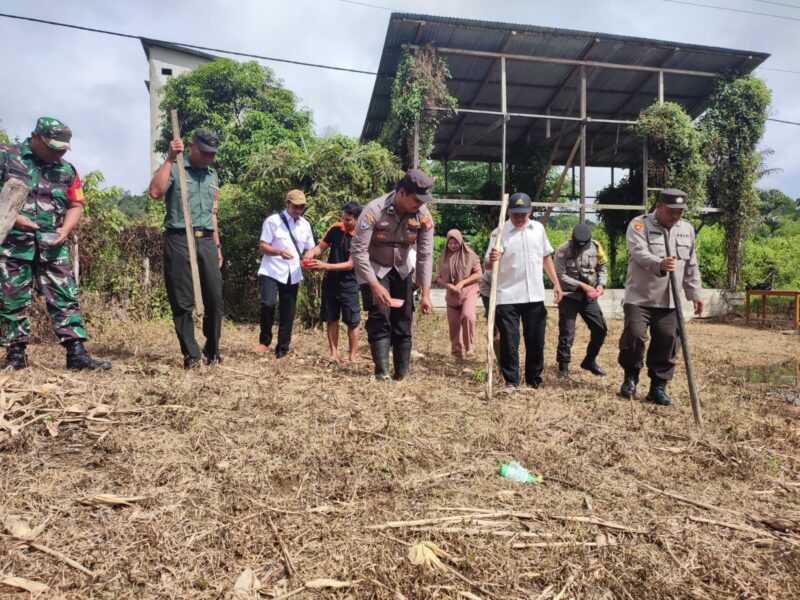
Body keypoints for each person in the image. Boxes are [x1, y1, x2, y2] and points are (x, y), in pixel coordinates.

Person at [0, 117, 110, 371]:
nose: (58, 152)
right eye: (53, 147)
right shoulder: (7, 157)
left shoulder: (67, 170)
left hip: (53, 245)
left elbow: (76, 204)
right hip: (14, 244)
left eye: (62, 148)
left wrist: (65, 230)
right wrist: (15, 218)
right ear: (35, 137)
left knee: (65, 297)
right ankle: (15, 356)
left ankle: (76, 353)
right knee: (12, 299)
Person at [618, 188, 704, 406]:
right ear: (658, 207)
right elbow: (638, 252)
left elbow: (691, 263)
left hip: (670, 300)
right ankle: (631, 377)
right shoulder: (639, 224)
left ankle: (658, 388)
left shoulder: (686, 230)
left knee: (667, 342)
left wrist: (695, 293)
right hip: (640, 297)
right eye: (671, 211)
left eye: (680, 211)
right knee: (635, 337)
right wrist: (659, 264)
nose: (676, 216)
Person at [149, 128, 224, 369]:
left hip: (206, 241)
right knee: (182, 300)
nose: (208, 157)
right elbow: (155, 192)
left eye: (212, 154)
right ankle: (191, 355)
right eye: (204, 152)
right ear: (191, 146)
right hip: (179, 238)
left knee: (215, 299)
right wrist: (170, 158)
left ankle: (212, 350)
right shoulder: (176, 167)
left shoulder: (213, 177)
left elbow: (213, 215)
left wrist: (217, 245)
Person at [351, 169, 434, 381]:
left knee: (404, 317)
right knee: (380, 313)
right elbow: (358, 252)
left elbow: (425, 255)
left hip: (402, 268)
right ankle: (382, 372)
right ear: (402, 192)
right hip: (374, 268)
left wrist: (425, 293)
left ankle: (403, 373)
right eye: (416, 199)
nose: (420, 204)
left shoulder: (423, 216)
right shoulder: (373, 211)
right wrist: (374, 285)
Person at [485, 192, 563, 389]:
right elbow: (487, 263)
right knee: (509, 342)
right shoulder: (499, 233)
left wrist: (556, 283)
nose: (519, 218)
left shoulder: (538, 229)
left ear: (530, 212)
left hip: (534, 295)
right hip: (507, 296)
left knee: (536, 340)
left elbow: (546, 257)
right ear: (509, 212)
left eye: (523, 214)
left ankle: (534, 378)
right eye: (515, 214)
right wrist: (492, 258)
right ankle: (511, 380)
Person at [253, 189, 315, 358]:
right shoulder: (273, 221)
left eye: (301, 207)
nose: (298, 210)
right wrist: (279, 252)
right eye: (295, 206)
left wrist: (310, 255)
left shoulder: (305, 225)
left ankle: (282, 348)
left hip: (293, 272)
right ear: (287, 203)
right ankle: (265, 341)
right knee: (268, 303)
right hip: (271, 269)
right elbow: (263, 246)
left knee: (288, 311)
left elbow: (310, 247)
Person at [304, 200, 362, 364]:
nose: (344, 222)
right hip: (331, 282)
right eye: (343, 218)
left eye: (348, 219)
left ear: (357, 219)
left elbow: (351, 264)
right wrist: (311, 252)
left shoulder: (362, 235)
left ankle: (352, 355)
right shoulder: (336, 228)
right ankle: (334, 354)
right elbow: (321, 247)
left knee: (352, 321)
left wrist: (325, 266)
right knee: (331, 318)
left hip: (350, 283)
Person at [553, 224, 609, 379]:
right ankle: (563, 367)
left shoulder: (596, 247)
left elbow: (602, 267)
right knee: (567, 332)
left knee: (600, 329)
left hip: (588, 297)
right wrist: (581, 285)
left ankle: (589, 361)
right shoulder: (563, 250)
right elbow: (559, 274)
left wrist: (601, 284)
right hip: (569, 296)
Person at [436, 229, 482, 359]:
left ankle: (469, 347)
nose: (453, 246)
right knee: (453, 322)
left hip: (469, 291)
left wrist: (461, 283)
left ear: (461, 242)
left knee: (468, 316)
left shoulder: (470, 255)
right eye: (450, 243)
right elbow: (438, 277)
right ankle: (456, 352)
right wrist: (447, 285)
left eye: (455, 243)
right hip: (452, 294)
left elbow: (478, 273)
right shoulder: (443, 256)